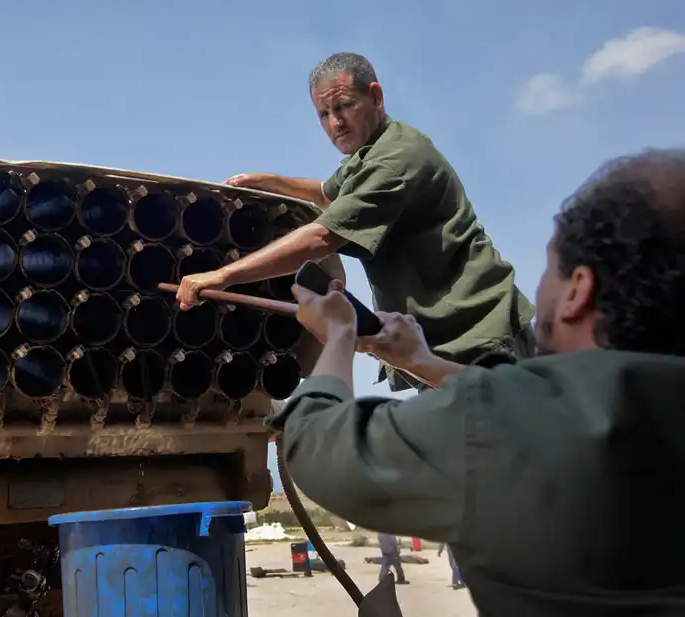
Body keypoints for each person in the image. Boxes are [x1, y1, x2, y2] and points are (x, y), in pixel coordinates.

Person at [268, 149, 685, 616]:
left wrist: (339, 334)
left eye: (549, 271)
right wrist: (422, 362)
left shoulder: (498, 423)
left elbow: (315, 442)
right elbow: (545, 411)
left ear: (578, 291)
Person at [176, 52, 535, 391]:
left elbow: (321, 238)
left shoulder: (394, 161)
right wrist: (270, 181)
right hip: (440, 345)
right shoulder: (371, 150)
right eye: (324, 114)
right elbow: (326, 192)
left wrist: (222, 276)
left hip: (478, 335)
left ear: (376, 97)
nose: (335, 123)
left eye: (344, 106)